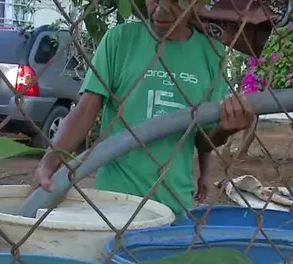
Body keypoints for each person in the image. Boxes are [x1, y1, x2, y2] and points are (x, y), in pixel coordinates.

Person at [31, 0, 255, 214]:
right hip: (114, 201)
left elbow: (203, 138)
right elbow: (86, 108)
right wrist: (51, 159)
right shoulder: (120, 41)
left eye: (175, 1)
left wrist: (226, 129)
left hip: (174, 202)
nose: (161, 11)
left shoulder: (211, 54)